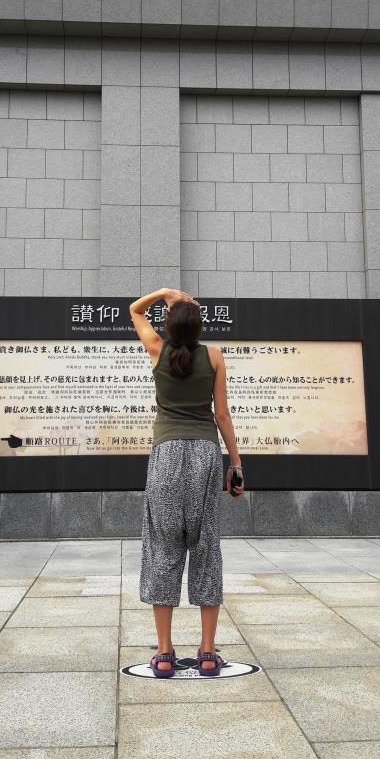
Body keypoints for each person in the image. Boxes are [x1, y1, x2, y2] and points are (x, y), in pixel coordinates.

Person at [129, 288, 244, 677]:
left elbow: (134, 309)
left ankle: (164, 653)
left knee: (163, 546)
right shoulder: (213, 356)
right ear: (199, 327)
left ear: (167, 326)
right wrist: (237, 465)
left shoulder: (156, 349)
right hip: (205, 455)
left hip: (165, 455)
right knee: (205, 544)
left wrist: (165, 293)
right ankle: (208, 652)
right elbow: (223, 415)